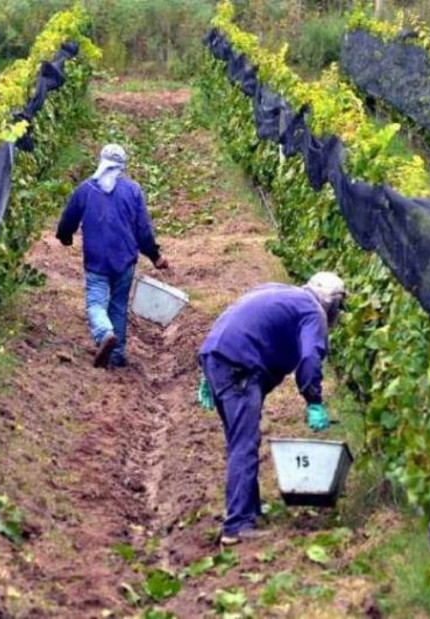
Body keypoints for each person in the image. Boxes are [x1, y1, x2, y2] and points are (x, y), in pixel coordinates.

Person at [197, 272, 348, 545]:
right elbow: (310, 358)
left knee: (239, 440)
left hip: (216, 356)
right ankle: (237, 525)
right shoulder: (313, 311)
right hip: (239, 367)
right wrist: (314, 401)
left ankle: (249, 509)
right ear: (331, 302)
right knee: (244, 444)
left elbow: (233, 316)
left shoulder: (278, 290)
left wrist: (207, 374)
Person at [57, 144, 168, 369]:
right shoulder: (133, 190)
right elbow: (142, 229)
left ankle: (104, 333)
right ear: (122, 167)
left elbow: (68, 220)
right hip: (124, 259)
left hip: (96, 259)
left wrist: (65, 237)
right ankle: (116, 355)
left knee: (96, 302)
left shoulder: (86, 189)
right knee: (118, 306)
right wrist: (155, 256)